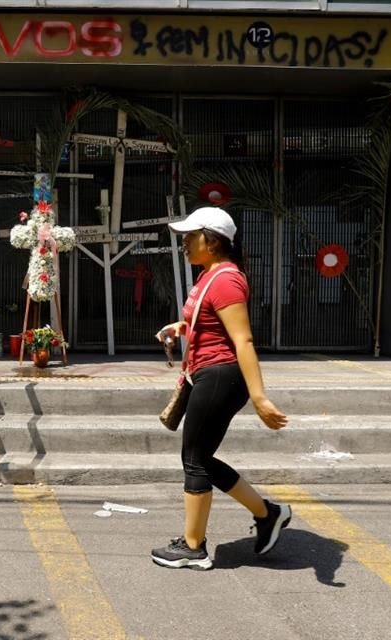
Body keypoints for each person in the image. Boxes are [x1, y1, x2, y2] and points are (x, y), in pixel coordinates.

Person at [151, 206, 290, 571]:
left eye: (190, 237)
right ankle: (268, 513)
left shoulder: (226, 279)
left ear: (211, 242)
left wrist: (259, 397)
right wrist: (183, 328)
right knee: (200, 459)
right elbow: (211, 320)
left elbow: (242, 340)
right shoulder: (209, 275)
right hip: (210, 373)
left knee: (195, 461)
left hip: (221, 376)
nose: (184, 243)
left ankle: (194, 548)